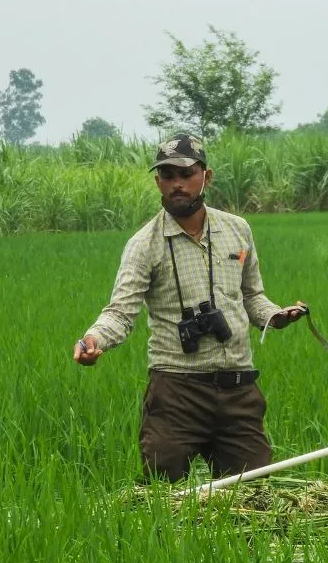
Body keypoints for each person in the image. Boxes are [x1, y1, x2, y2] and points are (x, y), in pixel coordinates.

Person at [74, 132, 307, 484]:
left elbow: (251, 296)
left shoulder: (237, 230)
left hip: (238, 388)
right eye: (167, 176)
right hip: (176, 392)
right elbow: (120, 312)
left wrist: (276, 315)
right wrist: (94, 340)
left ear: (206, 177)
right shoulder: (144, 244)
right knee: (162, 493)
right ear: (158, 182)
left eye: (186, 174)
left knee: (253, 496)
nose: (177, 184)